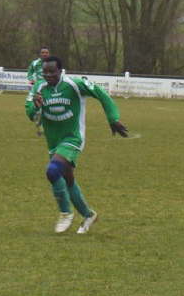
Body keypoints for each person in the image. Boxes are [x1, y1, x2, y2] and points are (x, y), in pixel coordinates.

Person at [25, 56, 129, 234]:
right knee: (67, 179)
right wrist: (35, 107)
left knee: (52, 171)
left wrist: (113, 118)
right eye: (45, 72)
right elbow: (30, 113)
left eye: (52, 72)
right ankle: (89, 215)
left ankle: (65, 212)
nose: (48, 75)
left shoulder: (74, 84)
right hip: (53, 141)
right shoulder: (38, 88)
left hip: (73, 138)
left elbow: (101, 94)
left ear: (60, 71)